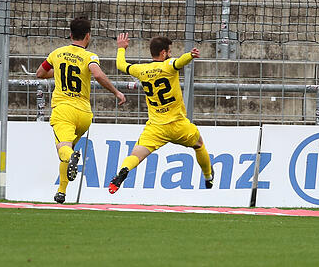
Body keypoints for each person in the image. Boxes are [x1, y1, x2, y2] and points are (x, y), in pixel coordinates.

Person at [108, 33, 214, 194]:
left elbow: (121, 65)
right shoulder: (168, 65)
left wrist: (121, 48)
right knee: (199, 144)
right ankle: (208, 177)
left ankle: (123, 170)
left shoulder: (140, 69)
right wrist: (190, 55)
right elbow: (179, 62)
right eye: (169, 51)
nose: (170, 54)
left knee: (136, 154)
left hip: (155, 127)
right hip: (178, 124)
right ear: (163, 53)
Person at [36, 17, 126, 204]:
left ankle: (72, 157)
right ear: (88, 36)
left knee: (64, 151)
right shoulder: (90, 57)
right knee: (68, 148)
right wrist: (116, 92)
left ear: (70, 34)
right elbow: (98, 73)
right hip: (84, 114)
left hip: (64, 111)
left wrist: (60, 70)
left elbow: (40, 73)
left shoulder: (56, 53)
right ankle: (61, 192)